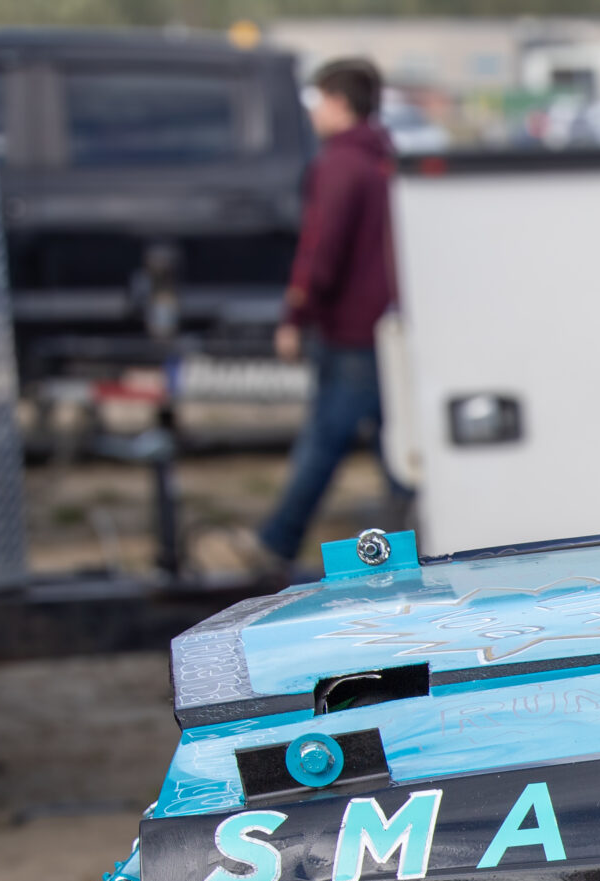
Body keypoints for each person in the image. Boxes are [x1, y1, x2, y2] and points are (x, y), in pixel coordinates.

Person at [202, 58, 407, 578]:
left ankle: (276, 541)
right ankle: (416, 537)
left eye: (318, 100)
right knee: (396, 442)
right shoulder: (386, 159)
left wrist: (297, 313)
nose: (314, 112)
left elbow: (321, 249)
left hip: (348, 328)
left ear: (339, 102)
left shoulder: (338, 164)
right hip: (389, 325)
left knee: (326, 436)